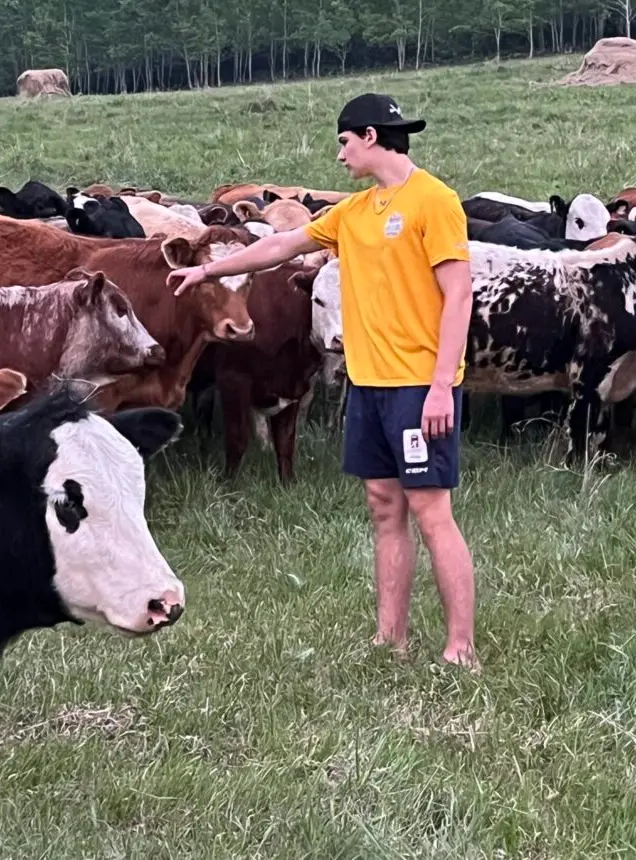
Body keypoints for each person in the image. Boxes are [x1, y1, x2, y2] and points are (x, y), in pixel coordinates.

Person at [168, 93, 478, 670]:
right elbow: (282, 244)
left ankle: (461, 647)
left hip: (418, 384)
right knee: (384, 505)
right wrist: (208, 268)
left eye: (342, 142)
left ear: (367, 136)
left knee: (432, 511)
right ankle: (391, 640)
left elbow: (459, 295)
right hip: (368, 381)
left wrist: (441, 387)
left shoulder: (435, 202)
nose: (338, 155)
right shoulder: (356, 212)